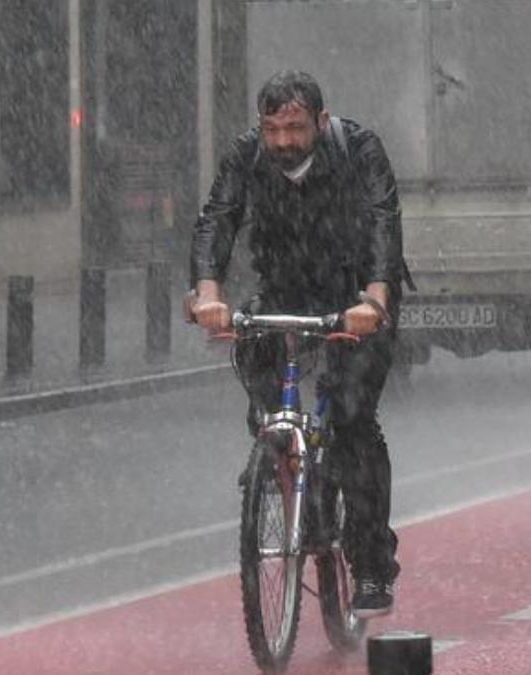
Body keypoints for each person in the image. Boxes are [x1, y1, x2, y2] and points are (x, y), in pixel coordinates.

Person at [186, 70, 406, 616]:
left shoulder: (358, 149)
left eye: (295, 128)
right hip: (285, 287)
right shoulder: (246, 156)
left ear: (320, 122)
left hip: (356, 293)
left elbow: (383, 223)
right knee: (255, 359)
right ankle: (276, 455)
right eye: (272, 130)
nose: (283, 142)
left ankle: (372, 564)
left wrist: (374, 301)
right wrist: (208, 294)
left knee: (353, 418)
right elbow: (217, 219)